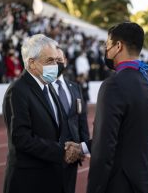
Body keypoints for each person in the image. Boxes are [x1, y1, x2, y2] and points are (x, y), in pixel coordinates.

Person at [86, 22, 148, 193]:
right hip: (141, 180)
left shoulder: (113, 84)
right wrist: (83, 146)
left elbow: (105, 148)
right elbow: (127, 137)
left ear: (118, 46)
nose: (106, 51)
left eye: (107, 46)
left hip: (117, 183)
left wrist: (94, 189)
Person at [2, 34, 75, 193]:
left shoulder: (48, 87)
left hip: (51, 177)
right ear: (31, 63)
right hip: (29, 182)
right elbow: (21, 139)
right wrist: (61, 152)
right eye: (49, 61)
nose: (55, 66)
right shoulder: (17, 91)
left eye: (56, 60)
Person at [51, 48, 90, 193]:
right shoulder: (43, 89)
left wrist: (85, 147)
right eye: (52, 59)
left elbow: (81, 118)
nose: (57, 62)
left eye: (59, 59)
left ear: (65, 62)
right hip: (51, 155)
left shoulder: (75, 87)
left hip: (72, 157)